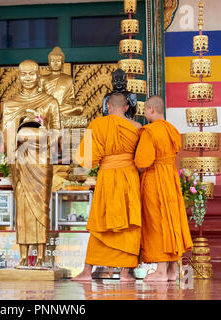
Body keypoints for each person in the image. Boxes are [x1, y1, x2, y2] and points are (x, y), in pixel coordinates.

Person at [71, 92, 142, 282]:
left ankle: (87, 271)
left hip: (107, 178)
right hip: (129, 177)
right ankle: (126, 273)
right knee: (128, 222)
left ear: (108, 106)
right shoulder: (137, 127)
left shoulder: (97, 125)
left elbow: (86, 161)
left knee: (100, 222)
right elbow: (142, 158)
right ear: (127, 107)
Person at [0, 60, 61, 268]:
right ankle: (23, 256)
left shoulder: (50, 102)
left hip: (42, 161)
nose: (27, 79)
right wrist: (20, 124)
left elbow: (58, 133)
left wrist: (42, 130)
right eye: (23, 74)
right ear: (17, 76)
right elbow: (6, 138)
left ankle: (41, 256)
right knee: (23, 207)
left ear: (39, 75)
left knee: (41, 207)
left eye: (31, 74)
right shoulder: (10, 103)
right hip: (20, 161)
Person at [134, 95, 193, 282]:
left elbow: (143, 162)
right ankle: (171, 271)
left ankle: (160, 271)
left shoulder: (149, 131)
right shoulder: (172, 130)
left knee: (157, 222)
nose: (145, 115)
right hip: (171, 178)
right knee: (172, 220)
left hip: (155, 179)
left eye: (145, 111)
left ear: (151, 109)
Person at [40, 46, 83, 117]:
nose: (55, 64)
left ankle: (56, 114)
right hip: (49, 107)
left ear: (62, 63)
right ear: (49, 63)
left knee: (80, 108)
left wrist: (68, 104)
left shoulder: (68, 79)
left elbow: (71, 99)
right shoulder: (43, 78)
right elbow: (40, 97)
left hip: (63, 108)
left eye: (58, 61)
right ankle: (56, 114)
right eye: (53, 61)